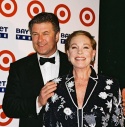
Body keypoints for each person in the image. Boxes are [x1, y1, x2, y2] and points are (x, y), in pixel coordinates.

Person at [42, 30, 124, 127]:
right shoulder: (55, 86)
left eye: (85, 47)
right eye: (74, 47)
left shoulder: (111, 85)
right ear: (68, 53)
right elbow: (48, 124)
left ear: (93, 53)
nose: (79, 52)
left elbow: (117, 123)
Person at [2, 12, 71, 127]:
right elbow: (9, 107)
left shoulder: (73, 65)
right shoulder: (19, 67)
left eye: (45, 33)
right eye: (35, 34)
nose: (40, 39)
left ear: (57, 35)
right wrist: (37, 102)